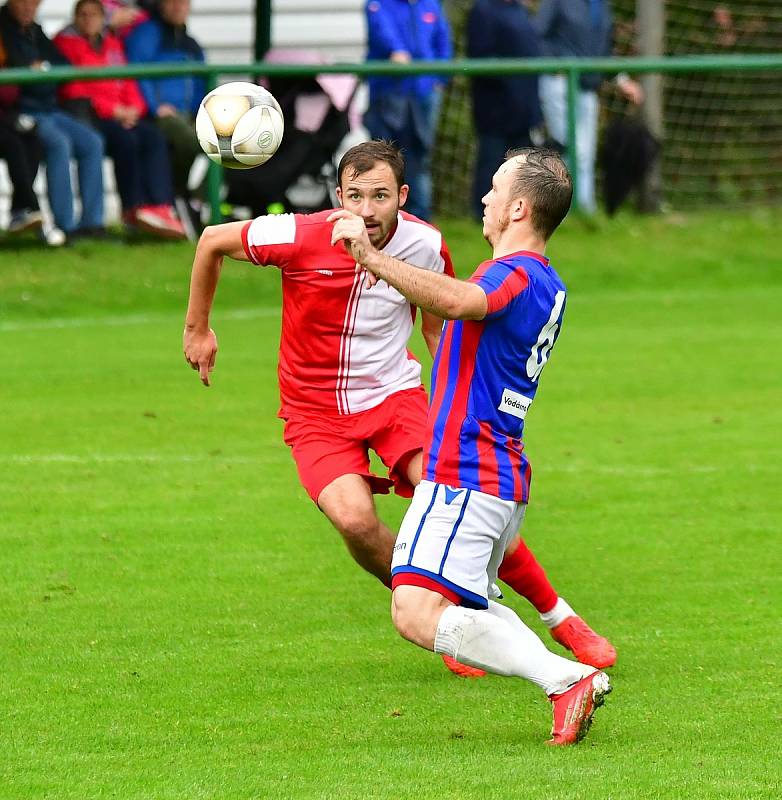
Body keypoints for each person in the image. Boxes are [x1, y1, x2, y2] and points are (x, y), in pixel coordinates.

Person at [183, 140, 616, 675]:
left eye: (381, 196)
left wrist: (456, 415)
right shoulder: (298, 233)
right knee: (355, 520)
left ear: (402, 197)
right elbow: (210, 240)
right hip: (314, 413)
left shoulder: (426, 245)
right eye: (356, 196)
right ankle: (450, 619)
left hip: (395, 397)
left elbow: (445, 328)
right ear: (338, 196)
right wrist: (197, 328)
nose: (367, 211)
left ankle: (558, 617)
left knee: (458, 489)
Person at [329, 147, 610, 745]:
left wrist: (369, 256)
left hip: (467, 471)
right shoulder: (549, 283)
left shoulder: (510, 274)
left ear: (518, 208)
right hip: (496, 475)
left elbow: (459, 301)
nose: (482, 200)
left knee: (412, 610)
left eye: (492, 191)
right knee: (461, 605)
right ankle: (567, 672)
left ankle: (565, 680)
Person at [54, 0, 186, 239]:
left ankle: (160, 206)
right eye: (83, 15)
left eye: (94, 15)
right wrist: (113, 111)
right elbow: (74, 89)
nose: (88, 20)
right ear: (75, 18)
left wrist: (134, 108)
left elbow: (128, 80)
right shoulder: (65, 44)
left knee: (153, 137)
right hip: (91, 116)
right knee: (125, 141)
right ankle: (132, 209)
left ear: (102, 17)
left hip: (123, 113)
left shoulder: (112, 44)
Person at [0, 0, 106, 241]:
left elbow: (62, 65)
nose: (29, 7)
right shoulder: (4, 30)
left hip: (50, 108)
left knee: (92, 142)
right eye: (24, 3)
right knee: (59, 144)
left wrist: (42, 71)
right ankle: (64, 226)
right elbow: (19, 73)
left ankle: (93, 224)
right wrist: (38, 73)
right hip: (23, 111)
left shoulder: (35, 31)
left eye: (34, 3)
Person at [533, 0, 643, 214]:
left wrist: (621, 79)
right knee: (566, 148)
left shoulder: (601, 6)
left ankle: (584, 210)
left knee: (586, 151)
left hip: (587, 86)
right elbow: (538, 35)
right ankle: (558, 211)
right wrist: (554, 64)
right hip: (559, 82)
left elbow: (604, 49)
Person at [364, 0, 452, 221]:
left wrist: (440, 78)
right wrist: (397, 52)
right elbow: (383, 33)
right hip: (389, 93)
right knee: (383, 157)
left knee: (420, 157)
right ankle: (383, 217)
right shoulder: (379, 4)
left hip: (424, 93)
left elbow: (443, 42)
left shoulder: (430, 5)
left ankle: (421, 219)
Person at [466, 0, 542, 221]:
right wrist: (510, 82)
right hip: (496, 107)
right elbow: (480, 57)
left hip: (524, 106)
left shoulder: (520, 10)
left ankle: (519, 212)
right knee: (492, 159)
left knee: (522, 164)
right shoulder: (483, 10)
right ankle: (481, 213)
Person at [125, 0, 205, 202]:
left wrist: (202, 112)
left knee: (220, 143)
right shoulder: (147, 34)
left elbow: (201, 82)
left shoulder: (190, 43)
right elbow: (138, 73)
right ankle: (189, 198)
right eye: (172, 2)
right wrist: (155, 106)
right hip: (159, 115)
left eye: (183, 2)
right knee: (200, 144)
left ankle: (189, 199)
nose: (178, 6)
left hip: (190, 114)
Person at [0, 27, 43, 236]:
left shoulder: (5, 43)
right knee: (12, 142)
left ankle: (20, 210)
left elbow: (10, 92)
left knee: (32, 140)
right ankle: (33, 207)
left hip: (6, 116)